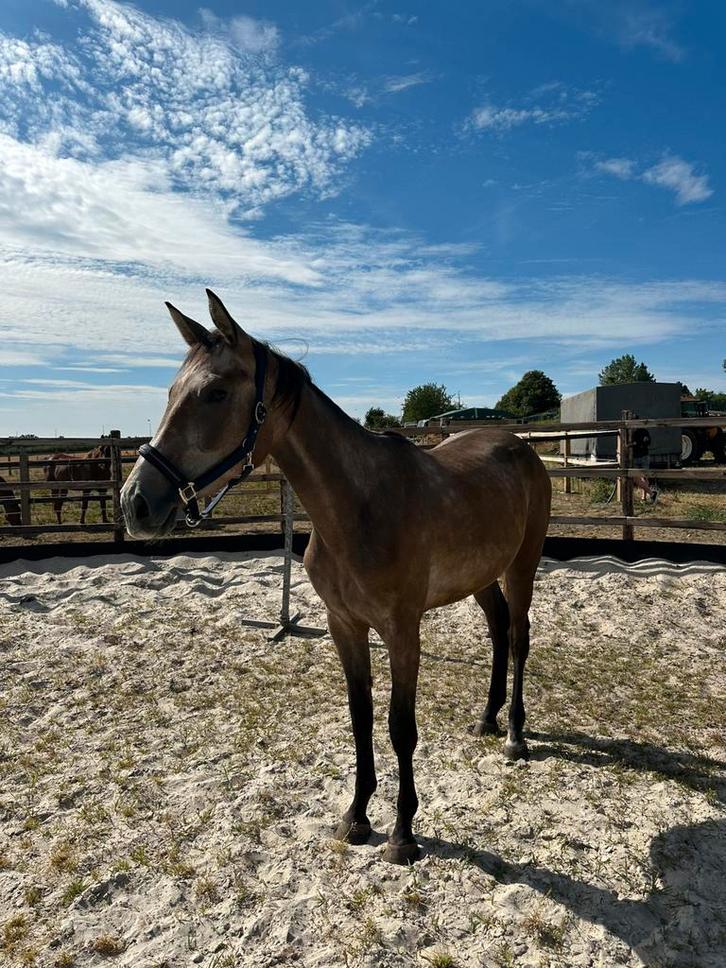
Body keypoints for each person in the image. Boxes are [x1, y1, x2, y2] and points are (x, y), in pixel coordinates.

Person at [632, 427, 658, 502]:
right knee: (637, 478)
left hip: (643, 456)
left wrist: (636, 443)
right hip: (638, 456)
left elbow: (648, 442)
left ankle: (644, 497)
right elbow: (645, 441)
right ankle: (651, 494)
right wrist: (640, 442)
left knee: (644, 477)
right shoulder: (631, 431)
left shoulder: (642, 431)